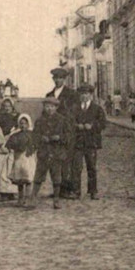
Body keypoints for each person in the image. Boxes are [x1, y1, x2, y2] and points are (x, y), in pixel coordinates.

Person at [31, 97, 69, 210]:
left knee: (56, 177)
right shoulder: (39, 121)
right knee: (38, 176)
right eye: (47, 106)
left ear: (56, 107)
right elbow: (34, 135)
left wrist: (60, 137)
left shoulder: (62, 120)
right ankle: (33, 198)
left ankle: (56, 200)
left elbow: (68, 136)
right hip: (44, 152)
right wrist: (40, 138)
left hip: (56, 152)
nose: (49, 109)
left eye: (52, 106)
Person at [70, 82, 107, 200]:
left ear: (91, 95)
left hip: (91, 142)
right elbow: (69, 123)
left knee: (91, 166)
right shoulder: (74, 108)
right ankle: (76, 191)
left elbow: (102, 123)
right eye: (82, 94)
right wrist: (77, 126)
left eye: (86, 93)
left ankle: (93, 191)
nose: (84, 96)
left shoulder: (97, 109)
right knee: (76, 167)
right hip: (77, 142)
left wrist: (92, 126)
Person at [46, 67, 78, 196]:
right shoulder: (49, 95)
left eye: (60, 78)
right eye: (56, 78)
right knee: (53, 160)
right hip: (52, 132)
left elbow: (74, 113)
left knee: (66, 160)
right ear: (53, 79)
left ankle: (66, 189)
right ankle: (56, 189)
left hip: (66, 131)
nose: (58, 80)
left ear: (64, 79)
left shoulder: (72, 94)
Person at [6, 112, 37, 206]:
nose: (23, 125)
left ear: (29, 124)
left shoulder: (32, 134)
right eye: (21, 123)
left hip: (29, 158)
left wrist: (31, 149)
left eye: (25, 123)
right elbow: (9, 145)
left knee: (28, 178)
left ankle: (28, 198)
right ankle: (20, 198)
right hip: (18, 158)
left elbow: (36, 144)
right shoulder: (15, 135)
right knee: (20, 179)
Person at [0, 98, 19, 200]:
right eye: (5, 106)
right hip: (1, 144)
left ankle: (11, 191)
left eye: (9, 106)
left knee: (10, 167)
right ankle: (2, 191)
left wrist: (12, 135)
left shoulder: (16, 117)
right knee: (1, 167)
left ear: (12, 107)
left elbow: (19, 129)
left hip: (12, 144)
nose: (7, 108)